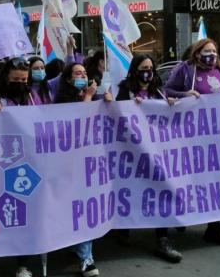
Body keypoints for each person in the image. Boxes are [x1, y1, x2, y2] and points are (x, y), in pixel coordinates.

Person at [163, 38, 220, 247]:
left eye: (215, 52)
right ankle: (178, 216)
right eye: (208, 51)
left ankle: (214, 228)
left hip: (218, 138)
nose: (212, 55)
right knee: (191, 182)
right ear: (197, 53)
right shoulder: (186, 70)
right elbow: (167, 92)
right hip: (193, 139)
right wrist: (185, 95)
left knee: (215, 183)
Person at [115, 54, 182, 263]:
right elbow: (117, 114)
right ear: (135, 70)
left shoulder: (157, 91)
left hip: (156, 151)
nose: (148, 71)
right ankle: (123, 227)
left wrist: (170, 103)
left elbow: (164, 116)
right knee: (132, 188)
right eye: (144, 67)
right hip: (133, 152)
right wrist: (129, 105)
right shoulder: (125, 90)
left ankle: (162, 238)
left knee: (159, 190)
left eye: (151, 67)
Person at [54, 62, 112, 277]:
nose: (83, 76)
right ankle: (78, 250)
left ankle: (86, 256)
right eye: (77, 73)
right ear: (68, 79)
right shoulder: (62, 100)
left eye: (85, 73)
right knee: (74, 206)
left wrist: (106, 102)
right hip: (68, 163)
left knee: (86, 206)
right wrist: (89, 97)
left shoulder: (91, 97)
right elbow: (78, 122)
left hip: (90, 163)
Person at [0, 57, 38, 277]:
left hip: (25, 162)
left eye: (24, 79)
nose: (20, 83)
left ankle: (22, 263)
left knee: (21, 212)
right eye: (16, 79)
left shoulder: (31, 96)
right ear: (6, 77)